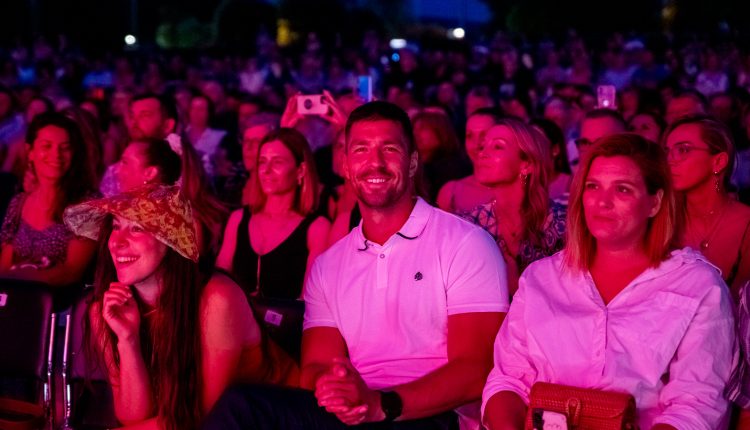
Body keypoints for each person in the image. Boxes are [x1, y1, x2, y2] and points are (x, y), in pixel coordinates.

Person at [203, 101, 508, 430]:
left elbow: (475, 369)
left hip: (432, 414)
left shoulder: (464, 242)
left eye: (389, 149)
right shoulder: (329, 264)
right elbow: (316, 365)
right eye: (361, 150)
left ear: (412, 162)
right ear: (346, 166)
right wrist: (333, 386)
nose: (375, 162)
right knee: (241, 406)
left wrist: (382, 404)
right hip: (358, 409)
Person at [482, 134, 736, 430]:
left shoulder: (696, 286)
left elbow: (696, 405)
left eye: (622, 189)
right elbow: (508, 379)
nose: (602, 202)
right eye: (593, 187)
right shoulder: (542, 278)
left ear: (654, 203)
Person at [64, 184, 298, 430]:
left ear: (170, 241)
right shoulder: (108, 310)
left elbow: (200, 418)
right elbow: (133, 418)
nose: (117, 242)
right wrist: (128, 340)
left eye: (137, 228)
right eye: (115, 227)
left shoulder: (217, 299)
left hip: (280, 420)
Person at [215, 128, 330, 299]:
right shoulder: (238, 219)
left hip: (290, 317)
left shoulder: (317, 228)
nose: (266, 170)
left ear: (300, 170)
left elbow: (308, 300)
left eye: (277, 162)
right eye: (262, 162)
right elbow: (219, 283)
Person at [462, 118, 566, 296]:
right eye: (483, 146)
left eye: (497, 147)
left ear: (526, 164)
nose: (482, 153)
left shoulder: (560, 225)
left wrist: (517, 287)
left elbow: (571, 299)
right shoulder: (471, 225)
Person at [0, 112, 97, 288]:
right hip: (17, 299)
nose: (56, 154)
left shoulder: (87, 204)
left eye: (65, 148)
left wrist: (21, 274)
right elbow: (4, 267)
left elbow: (72, 272)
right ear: (30, 151)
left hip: (61, 302)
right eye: (47, 146)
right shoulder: (19, 202)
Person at [663, 115, 750, 296]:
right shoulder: (663, 220)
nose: (670, 159)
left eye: (683, 150)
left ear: (718, 161)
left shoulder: (746, 224)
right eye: (668, 151)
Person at [436, 108, 499, 214]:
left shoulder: (517, 190)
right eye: (470, 136)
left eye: (484, 136)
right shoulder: (451, 192)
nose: (476, 144)